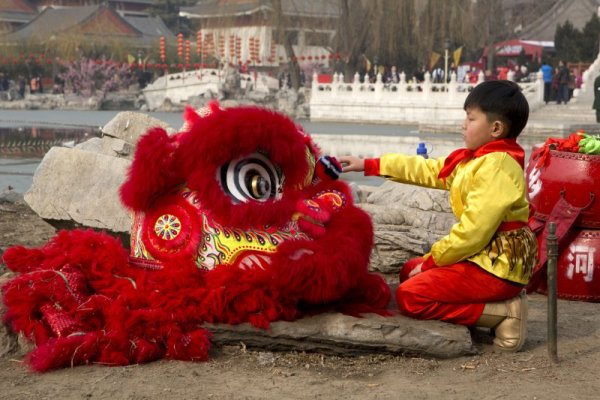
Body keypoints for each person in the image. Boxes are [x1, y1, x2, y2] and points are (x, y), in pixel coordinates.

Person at [339, 80, 538, 352]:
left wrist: (433, 261)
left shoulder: (498, 167)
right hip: (484, 258)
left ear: (495, 128)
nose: (463, 125)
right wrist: (370, 165)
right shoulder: (478, 159)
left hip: (497, 266)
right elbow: (431, 170)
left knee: (411, 297)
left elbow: (472, 233)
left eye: (470, 118)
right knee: (409, 271)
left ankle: (504, 313)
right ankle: (486, 310)